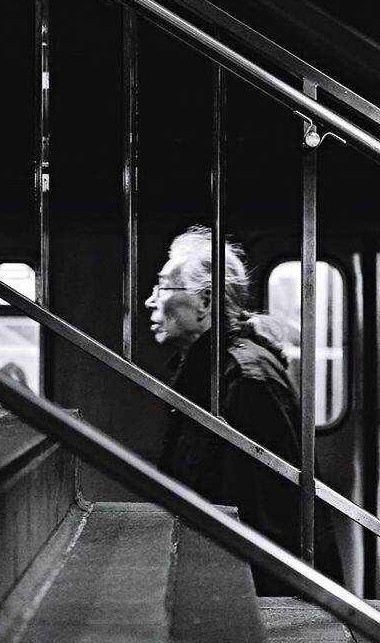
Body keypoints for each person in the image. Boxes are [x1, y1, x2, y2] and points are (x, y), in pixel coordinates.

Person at [144, 225, 343, 594]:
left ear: (205, 301)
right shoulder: (209, 373)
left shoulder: (246, 380)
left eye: (162, 287)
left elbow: (274, 518)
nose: (149, 300)